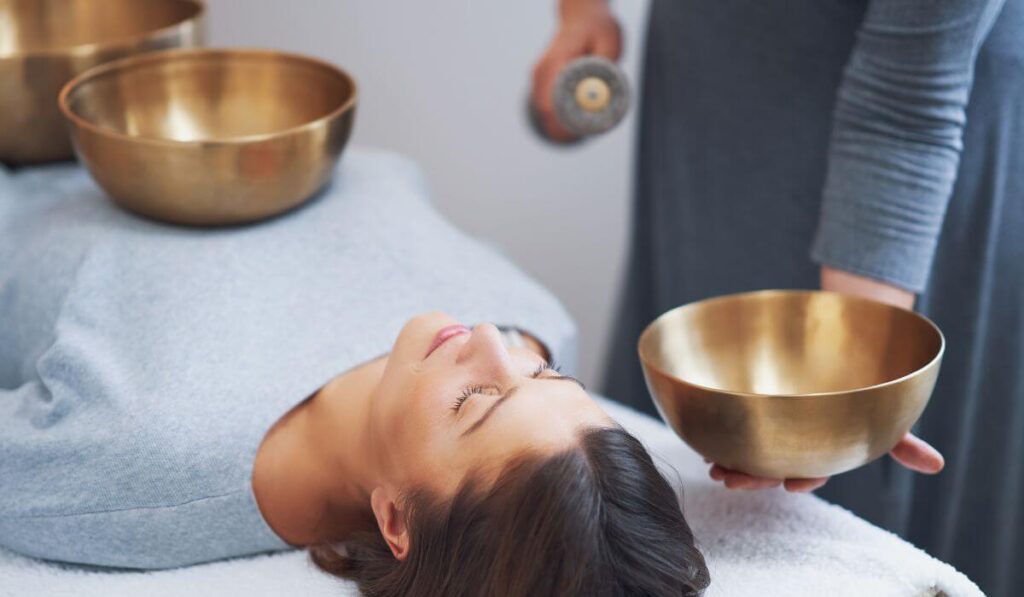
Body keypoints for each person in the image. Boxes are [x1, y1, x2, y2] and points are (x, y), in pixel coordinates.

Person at [0, 151, 709, 596]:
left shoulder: (143, 454)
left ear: (397, 519)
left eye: (473, 401)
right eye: (548, 375)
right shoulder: (540, 323)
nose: (494, 337)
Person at [530, 0, 1022, 595]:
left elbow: (903, 104)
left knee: (851, 523)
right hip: (706, 107)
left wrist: (853, 378)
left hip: (902, 156)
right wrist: (582, 13)